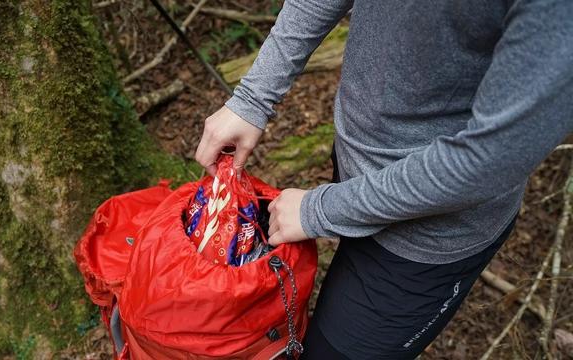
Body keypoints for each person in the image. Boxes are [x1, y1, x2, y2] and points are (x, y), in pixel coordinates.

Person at [195, 1, 573, 358]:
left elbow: (489, 160)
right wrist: (254, 97)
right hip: (355, 164)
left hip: (427, 241)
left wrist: (320, 210)